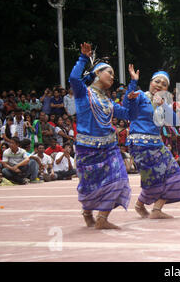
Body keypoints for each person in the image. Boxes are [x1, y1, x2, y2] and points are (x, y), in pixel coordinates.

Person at [69, 42, 133, 230]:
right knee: (89, 185)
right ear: (97, 73)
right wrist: (83, 57)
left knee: (120, 179)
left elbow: (127, 114)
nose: (112, 77)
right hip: (87, 147)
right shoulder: (83, 93)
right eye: (110, 73)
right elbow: (74, 77)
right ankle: (87, 212)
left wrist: (131, 91)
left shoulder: (108, 101)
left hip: (109, 147)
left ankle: (102, 218)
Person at [122, 66, 180, 219]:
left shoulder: (163, 103)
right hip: (140, 144)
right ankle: (142, 205)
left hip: (157, 145)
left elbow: (175, 121)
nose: (159, 85)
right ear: (150, 82)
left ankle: (155, 209)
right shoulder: (140, 96)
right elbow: (126, 105)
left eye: (163, 84)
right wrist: (133, 82)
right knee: (153, 177)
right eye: (156, 81)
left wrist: (163, 105)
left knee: (173, 172)